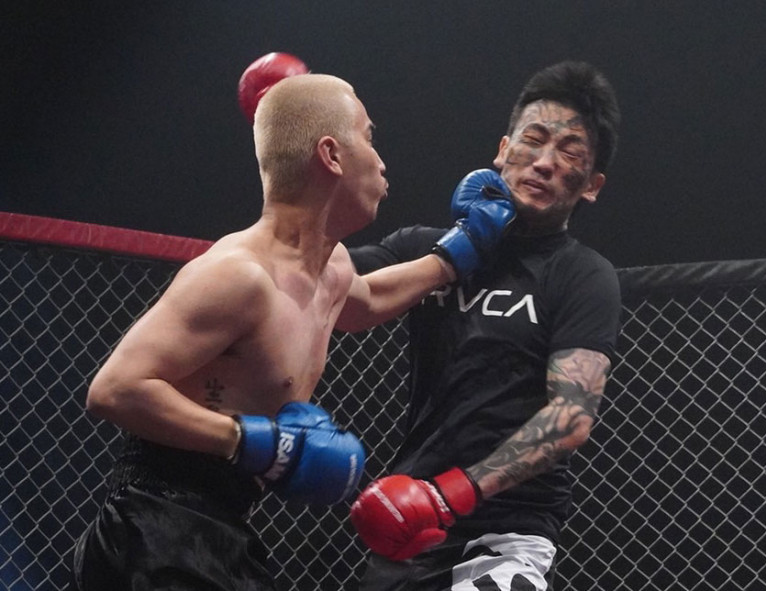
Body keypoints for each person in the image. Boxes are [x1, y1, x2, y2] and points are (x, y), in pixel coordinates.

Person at [70, 72, 515, 590]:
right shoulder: (239, 276)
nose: (381, 160)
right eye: (369, 137)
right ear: (331, 155)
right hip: (152, 524)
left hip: (221, 525)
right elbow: (114, 389)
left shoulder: (333, 268)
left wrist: (459, 251)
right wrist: (250, 441)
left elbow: (368, 301)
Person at [348, 60, 622, 591]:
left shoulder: (582, 275)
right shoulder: (423, 250)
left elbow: (571, 415)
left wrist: (451, 493)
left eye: (570, 154)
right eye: (533, 140)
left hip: (504, 535)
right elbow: (325, 284)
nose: (544, 162)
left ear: (591, 185)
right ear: (502, 149)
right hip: (410, 526)